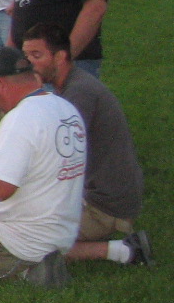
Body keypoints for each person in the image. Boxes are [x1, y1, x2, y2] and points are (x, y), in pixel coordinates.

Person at [0, 47, 85, 287]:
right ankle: (39, 263)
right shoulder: (65, 108)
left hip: (16, 239)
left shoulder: (19, 119)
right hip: (61, 233)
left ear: (1, 84)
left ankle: (27, 269)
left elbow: (1, 189)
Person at [20, 22, 150, 266]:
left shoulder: (80, 93)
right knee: (23, 224)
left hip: (103, 205)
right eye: (26, 56)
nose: (28, 64)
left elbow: (52, 155)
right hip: (92, 193)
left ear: (60, 57)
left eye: (36, 56)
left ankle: (123, 250)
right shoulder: (68, 88)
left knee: (27, 240)